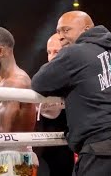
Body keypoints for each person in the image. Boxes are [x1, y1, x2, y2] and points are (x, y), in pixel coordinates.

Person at [32, 11, 111, 176]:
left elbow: (39, 82)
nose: (60, 36)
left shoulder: (75, 53)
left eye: (66, 30)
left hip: (100, 148)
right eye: (58, 31)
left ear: (86, 29)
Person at [0, 27, 38, 176]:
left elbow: (5, 131)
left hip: (13, 159)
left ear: (0, 51)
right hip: (8, 156)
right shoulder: (4, 80)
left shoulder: (15, 82)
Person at [35, 33, 74, 176]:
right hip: (43, 148)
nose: (51, 57)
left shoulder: (78, 76)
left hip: (69, 148)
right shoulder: (43, 76)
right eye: (49, 52)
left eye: (56, 52)